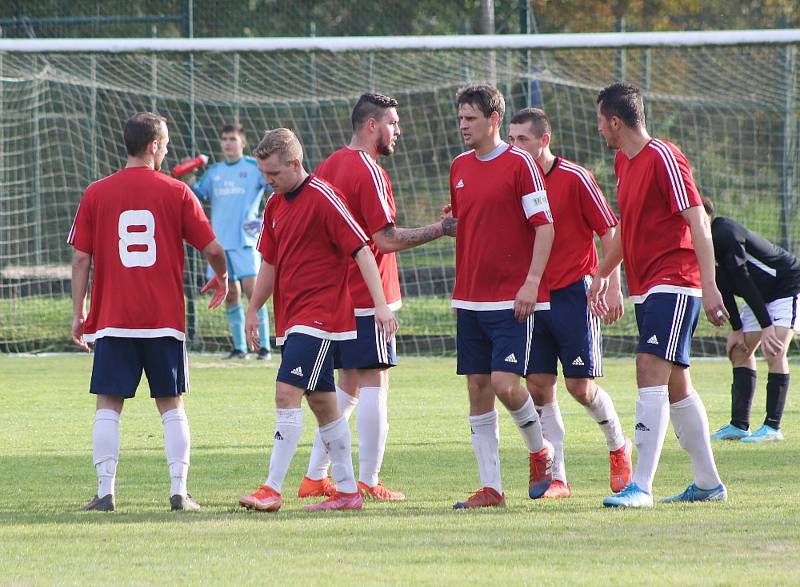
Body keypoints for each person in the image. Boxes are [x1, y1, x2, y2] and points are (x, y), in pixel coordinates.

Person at [298, 93, 456, 502]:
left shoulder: (328, 165)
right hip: (368, 294)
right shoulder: (368, 170)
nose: (397, 131)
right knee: (375, 382)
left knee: (348, 385)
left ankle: (316, 475)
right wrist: (442, 228)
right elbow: (383, 240)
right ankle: (368, 478)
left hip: (339, 294)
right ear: (371, 126)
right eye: (392, 123)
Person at [69, 112, 229, 512]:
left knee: (108, 403)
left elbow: (80, 259)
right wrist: (223, 277)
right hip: (164, 320)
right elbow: (212, 249)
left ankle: (105, 493)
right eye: (167, 143)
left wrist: (79, 311)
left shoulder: (96, 193)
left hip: (112, 318)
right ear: (154, 145)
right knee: (171, 405)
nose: (169, 149)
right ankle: (179, 491)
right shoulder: (176, 192)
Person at [238, 128, 398, 513]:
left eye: (273, 174)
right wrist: (253, 308)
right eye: (264, 174)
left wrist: (380, 304)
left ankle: (272, 489)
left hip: (322, 316)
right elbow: (271, 264)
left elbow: (362, 249)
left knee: (285, 393)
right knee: (325, 405)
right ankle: (346, 491)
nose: (267, 181)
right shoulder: (275, 206)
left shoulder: (325, 198)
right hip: (292, 317)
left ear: (295, 163)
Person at [589, 82, 728, 507]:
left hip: (675, 279)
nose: (599, 130)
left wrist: (709, 287)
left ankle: (641, 486)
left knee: (648, 364)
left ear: (615, 121)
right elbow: (628, 230)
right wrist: (602, 275)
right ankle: (707, 484)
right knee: (677, 384)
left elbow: (699, 221)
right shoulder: (622, 163)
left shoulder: (664, 156)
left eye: (600, 121)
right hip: (646, 285)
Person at [507, 107, 632, 499]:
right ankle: (557, 476)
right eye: (510, 140)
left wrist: (611, 283)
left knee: (580, 386)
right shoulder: (509, 178)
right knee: (539, 386)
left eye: (522, 140)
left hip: (573, 294)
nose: (514, 147)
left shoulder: (575, 178)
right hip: (531, 297)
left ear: (544, 140)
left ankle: (618, 446)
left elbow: (610, 230)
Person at [449, 84, 555, 509]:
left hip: (510, 299)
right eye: (460, 119)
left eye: (470, 119)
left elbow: (544, 227)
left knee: (505, 383)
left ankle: (539, 449)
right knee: (477, 387)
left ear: (494, 120)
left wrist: (530, 282)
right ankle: (490, 486)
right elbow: (468, 220)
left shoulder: (520, 165)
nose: (463, 126)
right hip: (469, 299)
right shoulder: (458, 166)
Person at [705, 197, 800, 443]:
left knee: (774, 350)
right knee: (740, 351)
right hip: (759, 297)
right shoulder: (702, 246)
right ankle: (739, 426)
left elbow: (743, 278)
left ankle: (772, 428)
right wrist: (736, 329)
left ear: (704, 214)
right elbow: (723, 285)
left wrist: (767, 326)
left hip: (786, 285)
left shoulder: (723, 232)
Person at [192, 123, 272, 360]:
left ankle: (264, 346)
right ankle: (240, 347)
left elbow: (276, 190)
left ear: (242, 143)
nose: (228, 143)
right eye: (224, 139)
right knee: (230, 295)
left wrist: (263, 220)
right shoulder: (214, 172)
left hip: (246, 241)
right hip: (219, 243)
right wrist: (187, 178)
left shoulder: (254, 168)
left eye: (232, 139)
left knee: (253, 292)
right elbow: (195, 197)